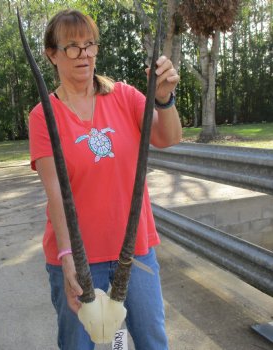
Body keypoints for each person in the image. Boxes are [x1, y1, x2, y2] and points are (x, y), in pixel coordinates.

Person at [29, 9, 182, 350]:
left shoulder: (125, 97)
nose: (83, 53)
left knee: (153, 342)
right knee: (77, 345)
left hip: (135, 253)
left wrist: (164, 99)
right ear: (51, 54)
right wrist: (68, 256)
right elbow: (55, 193)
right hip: (78, 261)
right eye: (71, 46)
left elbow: (167, 137)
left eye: (89, 44)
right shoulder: (43, 115)